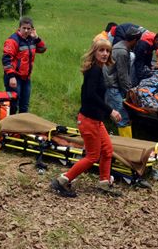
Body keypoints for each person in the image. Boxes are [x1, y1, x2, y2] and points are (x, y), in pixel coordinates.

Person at [50, 39, 123, 198]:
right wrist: (110, 111)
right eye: (101, 50)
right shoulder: (94, 70)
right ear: (94, 52)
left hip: (96, 121)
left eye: (107, 51)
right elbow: (90, 95)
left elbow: (92, 95)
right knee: (92, 156)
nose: (105, 54)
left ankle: (104, 183)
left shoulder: (99, 68)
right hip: (88, 121)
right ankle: (62, 181)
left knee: (107, 151)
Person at [2, 17, 47, 114]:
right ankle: (10, 127)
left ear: (32, 29)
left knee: (24, 105)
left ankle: (22, 127)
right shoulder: (12, 41)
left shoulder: (31, 39)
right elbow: (6, 60)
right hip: (14, 77)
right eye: (24, 28)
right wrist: (11, 77)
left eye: (28, 28)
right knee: (13, 105)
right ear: (19, 28)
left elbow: (43, 49)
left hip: (26, 78)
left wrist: (37, 37)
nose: (26, 30)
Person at [104, 26, 142, 138]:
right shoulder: (122, 52)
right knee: (123, 118)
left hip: (111, 86)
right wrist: (129, 92)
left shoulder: (119, 46)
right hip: (112, 88)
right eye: (138, 41)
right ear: (134, 40)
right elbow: (123, 75)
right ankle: (127, 147)